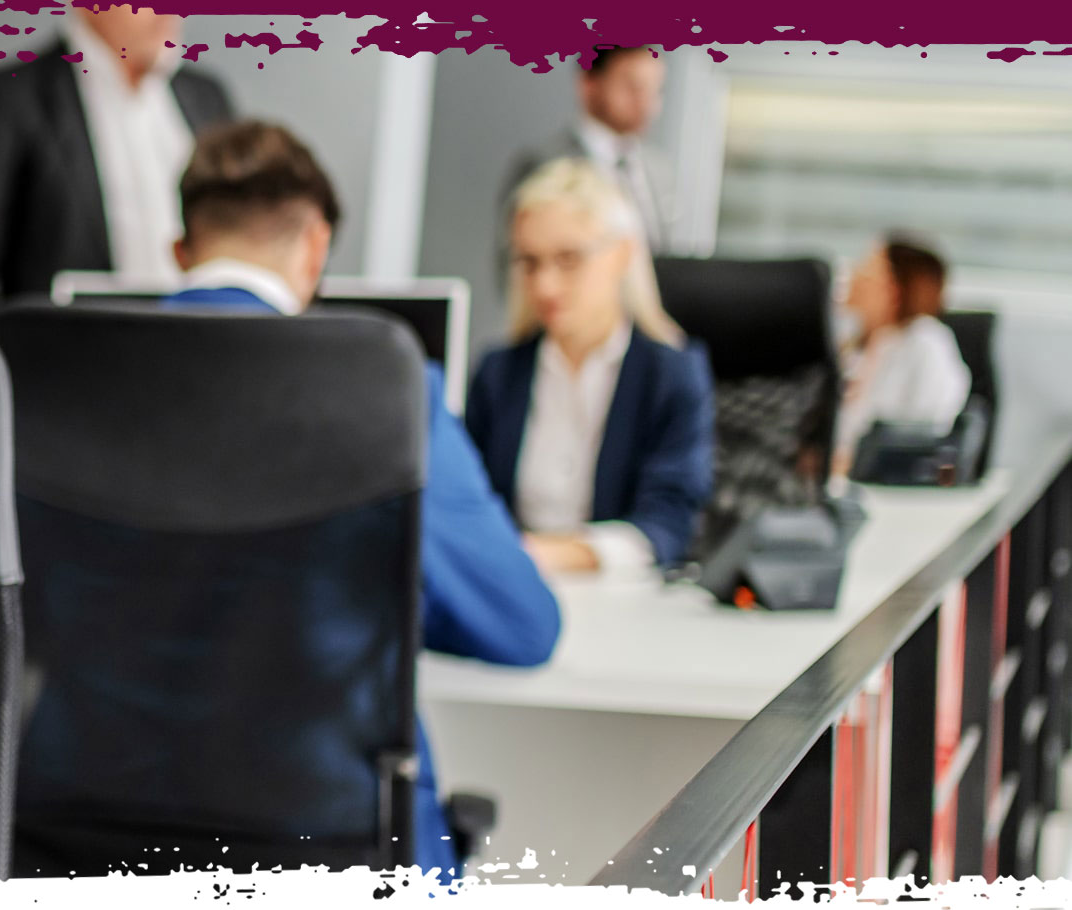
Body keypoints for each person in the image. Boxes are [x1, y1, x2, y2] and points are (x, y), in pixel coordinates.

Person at [160, 120, 561, 874]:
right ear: (315, 246)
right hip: (333, 848)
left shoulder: (48, 382)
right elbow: (520, 626)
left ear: (180, 252)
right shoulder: (383, 389)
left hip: (80, 838)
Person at [465, 158, 715, 575]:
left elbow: (668, 526)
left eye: (568, 259)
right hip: (509, 591)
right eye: (530, 262)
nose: (545, 285)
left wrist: (537, 554)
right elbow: (468, 501)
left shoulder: (670, 377)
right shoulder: (498, 374)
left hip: (617, 601)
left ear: (621, 255)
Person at [0, 3, 237, 320]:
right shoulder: (10, 99)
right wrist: (17, 359)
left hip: (199, 346)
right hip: (70, 353)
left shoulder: (207, 97)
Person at [502, 46, 678, 256]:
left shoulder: (658, 169)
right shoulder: (544, 164)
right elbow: (516, 262)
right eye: (633, 87)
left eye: (655, 89)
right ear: (588, 83)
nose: (647, 103)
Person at [833, 234, 972, 473]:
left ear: (893, 290)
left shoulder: (925, 341)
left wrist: (847, 464)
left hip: (884, 483)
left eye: (866, 270)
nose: (853, 277)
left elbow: (924, 434)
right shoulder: (858, 344)